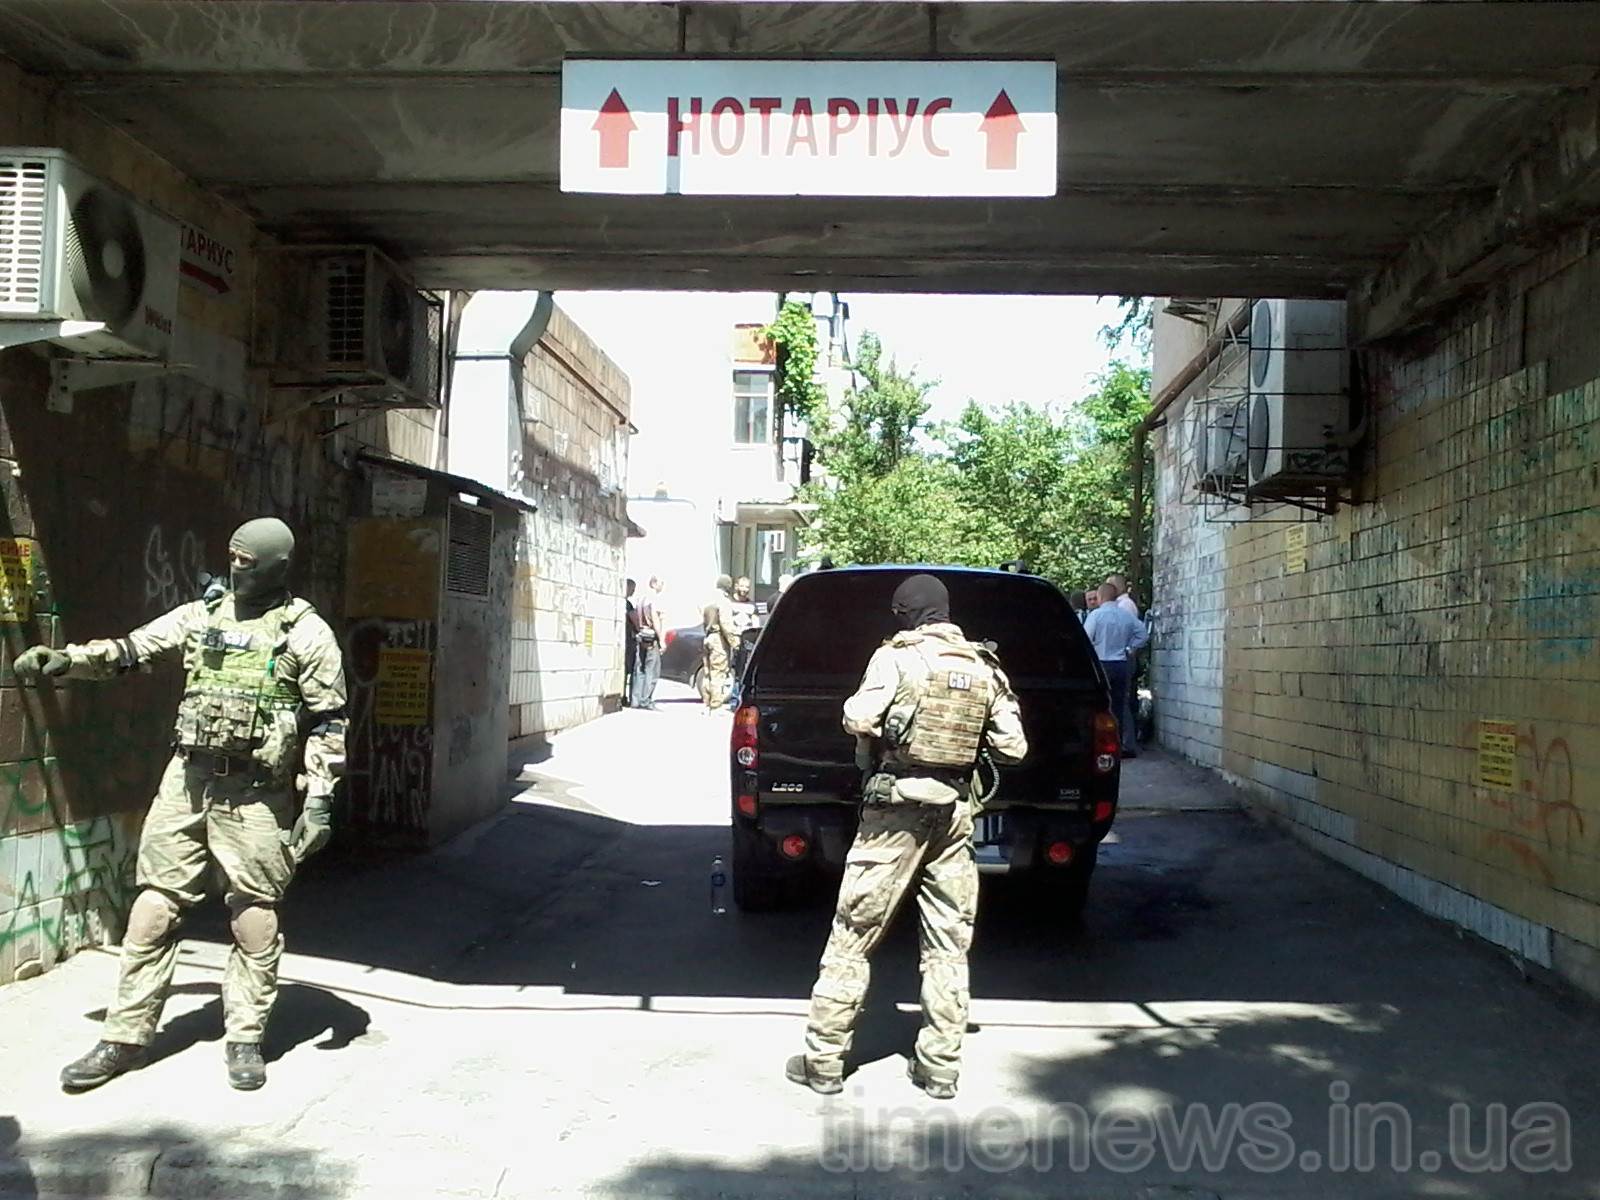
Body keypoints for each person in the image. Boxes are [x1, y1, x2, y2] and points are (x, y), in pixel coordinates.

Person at [12, 518, 347, 1093]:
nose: (237, 567)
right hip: (187, 782)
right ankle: (125, 1037)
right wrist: (65, 661)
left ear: (277, 567)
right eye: (233, 557)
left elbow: (329, 721)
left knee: (253, 916)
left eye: (249, 561)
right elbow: (131, 649)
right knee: (153, 910)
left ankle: (244, 1035)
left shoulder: (305, 633)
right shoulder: (203, 614)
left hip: (256, 795)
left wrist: (318, 800)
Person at [787, 574, 1027, 1101]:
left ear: (906, 613)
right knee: (948, 943)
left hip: (895, 811)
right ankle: (940, 1067)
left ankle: (824, 1060)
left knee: (854, 932)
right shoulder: (984, 666)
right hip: (955, 813)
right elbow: (1013, 747)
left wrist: (895, 727)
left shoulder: (897, 657)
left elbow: (857, 715)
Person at [1082, 581, 1149, 758]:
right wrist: (1129, 648)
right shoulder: (1125, 615)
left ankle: (1100, 745)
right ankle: (1119, 745)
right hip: (1121, 663)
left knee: (1099, 704)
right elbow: (1143, 634)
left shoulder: (1096, 616)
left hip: (1101, 663)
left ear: (1101, 596)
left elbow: (1086, 640)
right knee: (1119, 705)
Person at [700, 574, 736, 711]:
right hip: (718, 639)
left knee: (707, 672)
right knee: (718, 672)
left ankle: (706, 701)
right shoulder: (724, 601)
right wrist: (735, 642)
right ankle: (716, 705)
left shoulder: (708, 599)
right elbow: (726, 624)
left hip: (707, 637)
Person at [631, 576, 664, 710]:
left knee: (639, 669)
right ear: (654, 584)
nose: (663, 586)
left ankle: (635, 700)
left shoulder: (640, 599)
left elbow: (632, 615)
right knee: (652, 669)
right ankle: (646, 700)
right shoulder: (653, 600)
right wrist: (661, 639)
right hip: (651, 638)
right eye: (662, 583)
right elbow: (655, 620)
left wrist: (639, 629)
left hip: (641, 636)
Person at [623, 579, 638, 706]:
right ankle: (626, 697)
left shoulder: (624, 603)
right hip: (628, 642)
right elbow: (634, 619)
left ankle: (624, 696)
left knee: (625, 671)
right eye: (632, 589)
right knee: (628, 670)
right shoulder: (627, 604)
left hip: (625, 641)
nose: (633, 592)